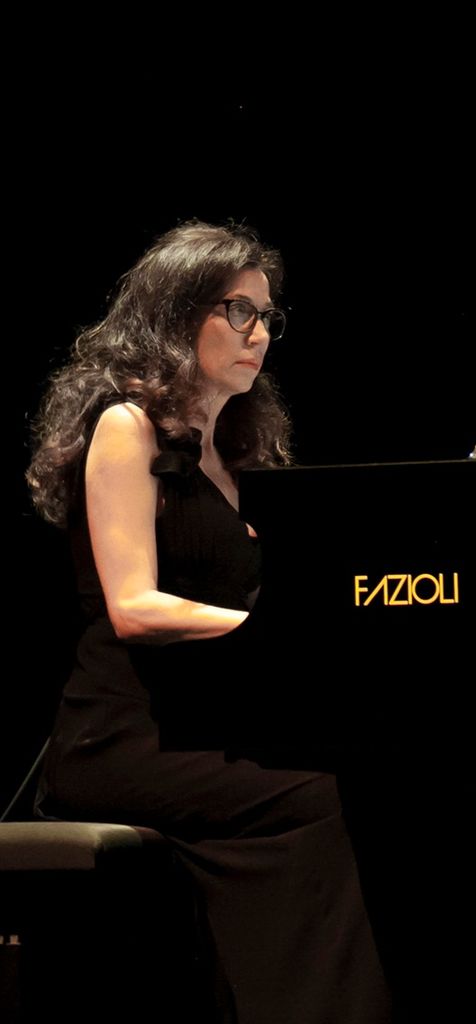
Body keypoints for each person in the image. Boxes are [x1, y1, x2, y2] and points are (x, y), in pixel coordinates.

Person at [27, 220, 391, 1023]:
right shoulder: (126, 427)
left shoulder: (235, 455)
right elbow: (133, 605)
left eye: (267, 316)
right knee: (315, 796)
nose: (260, 334)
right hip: (120, 739)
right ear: (175, 312)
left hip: (200, 730)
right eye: (239, 311)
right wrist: (268, 632)